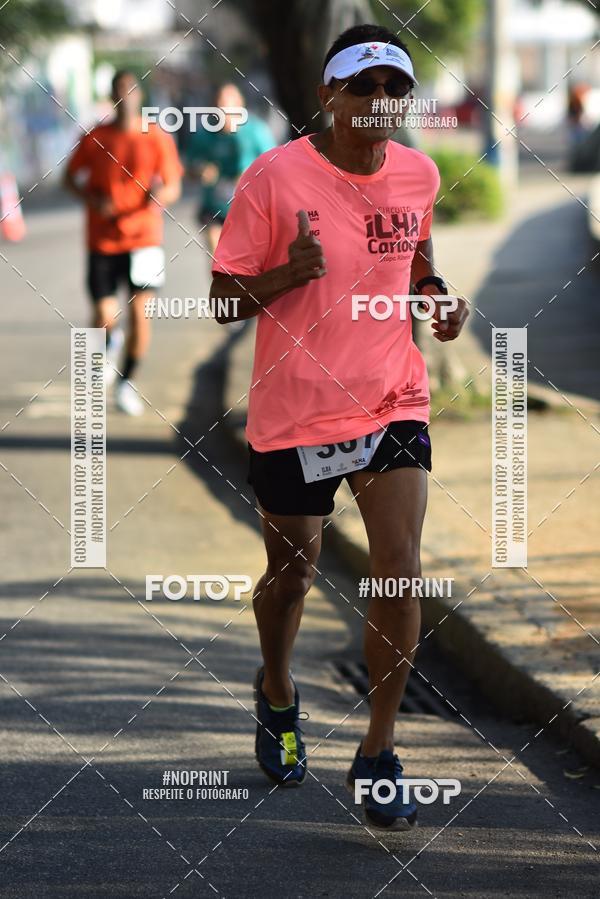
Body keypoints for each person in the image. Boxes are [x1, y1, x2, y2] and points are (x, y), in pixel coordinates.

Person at [209, 24, 468, 831]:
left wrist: (434, 294)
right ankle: (277, 688)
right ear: (329, 95)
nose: (382, 103)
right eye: (364, 88)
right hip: (295, 413)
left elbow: (416, 253)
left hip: (393, 398)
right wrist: (289, 273)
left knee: (399, 566)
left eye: (396, 88)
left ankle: (378, 751)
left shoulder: (418, 174)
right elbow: (223, 298)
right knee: (291, 575)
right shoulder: (273, 179)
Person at [64, 70, 183, 415]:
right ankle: (108, 343)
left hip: (144, 239)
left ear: (139, 95)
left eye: (131, 90)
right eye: (119, 91)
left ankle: (126, 382)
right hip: (102, 240)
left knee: (140, 315)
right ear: (113, 97)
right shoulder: (95, 137)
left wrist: (160, 196)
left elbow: (173, 184)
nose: (126, 96)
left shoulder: (156, 136)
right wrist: (91, 199)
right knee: (103, 313)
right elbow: (69, 178)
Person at [186, 83, 276, 256]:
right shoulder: (204, 134)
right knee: (218, 259)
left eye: (229, 106)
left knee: (248, 262)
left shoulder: (256, 131)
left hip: (250, 209)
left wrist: (251, 175)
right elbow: (188, 168)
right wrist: (200, 171)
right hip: (215, 207)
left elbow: (275, 164)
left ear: (240, 105)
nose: (225, 111)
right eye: (220, 106)